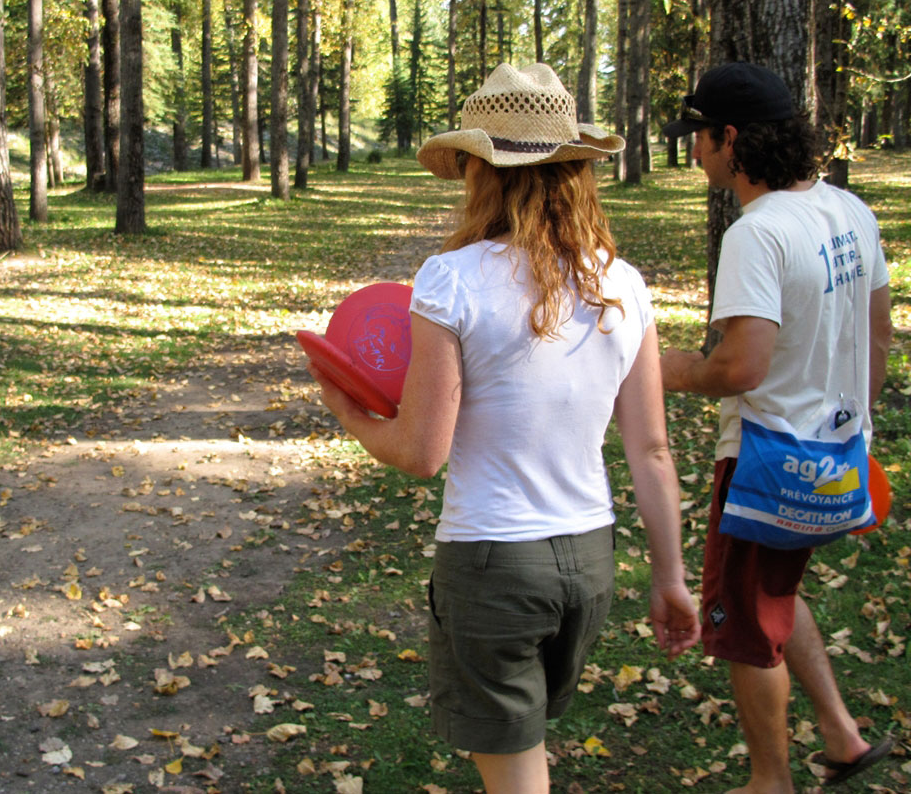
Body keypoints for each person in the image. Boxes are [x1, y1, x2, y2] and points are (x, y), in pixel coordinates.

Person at [305, 63, 700, 794]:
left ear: (481, 172)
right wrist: (671, 577)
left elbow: (423, 452)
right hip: (588, 561)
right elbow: (651, 448)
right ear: (575, 168)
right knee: (526, 748)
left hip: (493, 562)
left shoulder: (451, 278)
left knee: (516, 771)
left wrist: (347, 412)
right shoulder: (625, 283)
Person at [660, 62, 895, 793]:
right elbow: (880, 332)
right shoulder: (850, 211)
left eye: (700, 136)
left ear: (731, 138)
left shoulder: (756, 232)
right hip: (835, 456)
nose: (694, 151)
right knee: (776, 590)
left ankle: (770, 780)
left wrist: (663, 371)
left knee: (744, 626)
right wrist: (850, 418)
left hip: (766, 462)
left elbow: (740, 367)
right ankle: (843, 734)